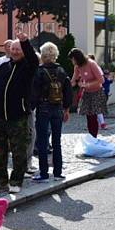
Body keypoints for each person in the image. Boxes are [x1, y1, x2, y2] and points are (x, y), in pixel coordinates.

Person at [0, 33, 38, 194]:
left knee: (19, 151)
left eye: (18, 49)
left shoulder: (28, 66)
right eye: (13, 48)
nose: (15, 51)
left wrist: (25, 42)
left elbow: (33, 59)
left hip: (18, 116)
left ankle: (16, 180)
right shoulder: (3, 67)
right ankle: (0, 180)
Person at [31, 42, 72, 183]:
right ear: (55, 55)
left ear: (43, 55)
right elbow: (67, 91)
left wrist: (31, 107)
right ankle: (58, 173)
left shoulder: (39, 71)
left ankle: (43, 173)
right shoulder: (61, 70)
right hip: (58, 108)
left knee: (42, 141)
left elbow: (34, 92)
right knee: (57, 141)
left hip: (43, 107)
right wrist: (66, 109)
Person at [69, 48, 106, 138]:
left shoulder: (91, 64)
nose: (72, 62)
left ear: (77, 58)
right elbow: (74, 79)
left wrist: (87, 85)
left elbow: (101, 80)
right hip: (87, 92)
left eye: (72, 59)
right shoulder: (77, 66)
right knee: (88, 115)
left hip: (96, 91)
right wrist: (67, 85)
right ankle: (91, 136)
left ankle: (94, 137)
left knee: (93, 115)